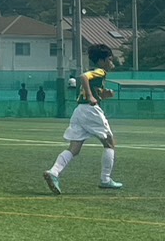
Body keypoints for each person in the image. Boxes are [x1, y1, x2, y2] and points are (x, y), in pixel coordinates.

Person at [43, 44, 123, 194]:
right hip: (90, 111)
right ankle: (105, 179)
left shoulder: (99, 77)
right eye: (110, 59)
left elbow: (94, 90)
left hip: (80, 111)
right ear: (102, 61)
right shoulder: (100, 71)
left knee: (74, 148)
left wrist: (104, 94)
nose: (112, 63)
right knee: (109, 143)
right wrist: (91, 96)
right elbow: (84, 77)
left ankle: (54, 172)